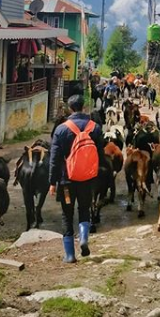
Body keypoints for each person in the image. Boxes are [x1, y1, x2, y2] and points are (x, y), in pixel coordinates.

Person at [49, 94, 105, 262]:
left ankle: (70, 255)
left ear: (70, 108)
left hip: (67, 181)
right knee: (84, 209)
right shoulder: (95, 128)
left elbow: (54, 159)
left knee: (67, 214)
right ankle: (84, 239)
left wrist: (52, 182)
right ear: (83, 107)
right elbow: (100, 156)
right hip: (88, 180)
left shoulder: (61, 129)